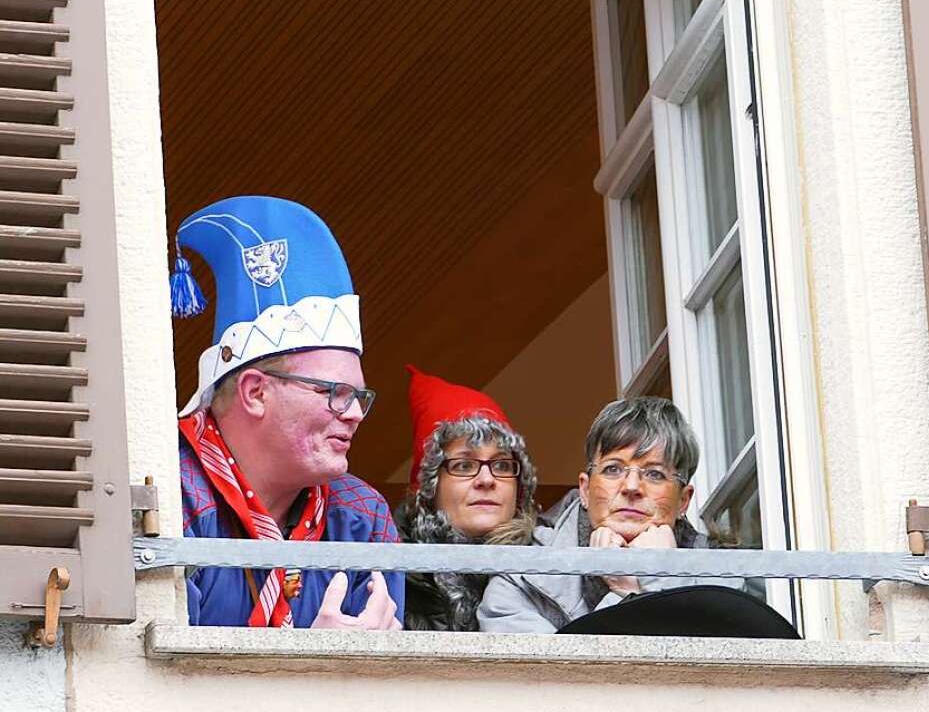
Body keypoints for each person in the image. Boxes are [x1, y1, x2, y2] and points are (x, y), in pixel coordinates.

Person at [172, 195, 404, 629]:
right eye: (332, 391)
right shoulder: (170, 500)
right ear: (256, 392)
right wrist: (312, 669)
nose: (354, 413)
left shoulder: (362, 515)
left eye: (359, 396)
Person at [477, 396, 738, 633]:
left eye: (654, 474)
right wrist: (626, 599)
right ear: (585, 489)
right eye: (613, 469)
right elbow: (553, 682)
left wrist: (658, 580)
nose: (632, 487)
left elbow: (703, 680)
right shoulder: (520, 575)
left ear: (683, 500)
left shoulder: (723, 578)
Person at [394, 365, 536, 631]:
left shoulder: (553, 567)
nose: (487, 479)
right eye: (464, 466)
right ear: (429, 487)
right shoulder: (388, 577)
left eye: (502, 465)